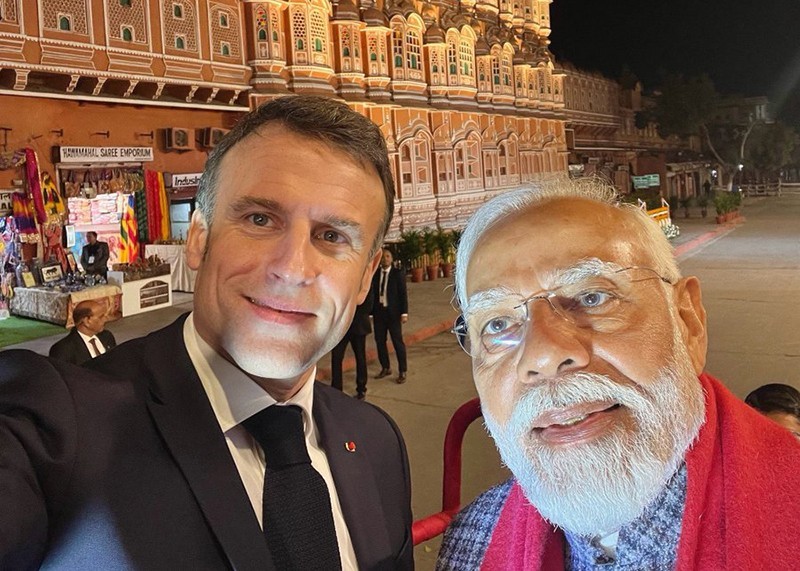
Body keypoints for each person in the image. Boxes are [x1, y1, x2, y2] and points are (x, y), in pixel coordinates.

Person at [0, 96, 413, 570]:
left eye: (332, 236)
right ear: (198, 238)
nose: (292, 269)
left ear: (365, 278)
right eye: (260, 219)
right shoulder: (62, 424)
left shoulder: (378, 443)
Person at [437, 179, 800, 570]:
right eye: (497, 324)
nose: (542, 356)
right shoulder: (471, 545)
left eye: (591, 297)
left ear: (687, 322)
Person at [371, 249, 409, 383]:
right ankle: (385, 367)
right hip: (379, 314)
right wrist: (371, 313)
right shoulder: (375, 274)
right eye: (383, 257)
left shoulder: (397, 274)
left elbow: (403, 295)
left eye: (388, 256)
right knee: (380, 341)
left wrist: (404, 313)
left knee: (397, 342)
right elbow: (373, 294)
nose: (385, 259)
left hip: (393, 314)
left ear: (391, 259)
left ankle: (402, 370)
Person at [331, 288, 374, 399]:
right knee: (336, 357)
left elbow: (368, 305)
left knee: (360, 357)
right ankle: (336, 389)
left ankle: (361, 388)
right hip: (341, 328)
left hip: (358, 326)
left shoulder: (365, 284)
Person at [48, 299, 117, 365]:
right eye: (101, 317)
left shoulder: (107, 336)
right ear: (86, 321)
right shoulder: (63, 349)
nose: (106, 319)